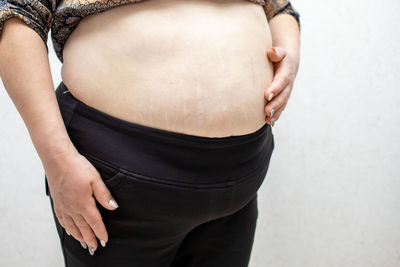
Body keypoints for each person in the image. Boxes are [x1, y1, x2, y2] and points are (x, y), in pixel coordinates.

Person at [0, 0, 300, 266]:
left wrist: (290, 55)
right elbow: (17, 14)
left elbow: (280, 9)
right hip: (115, 177)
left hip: (241, 173)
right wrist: (57, 160)